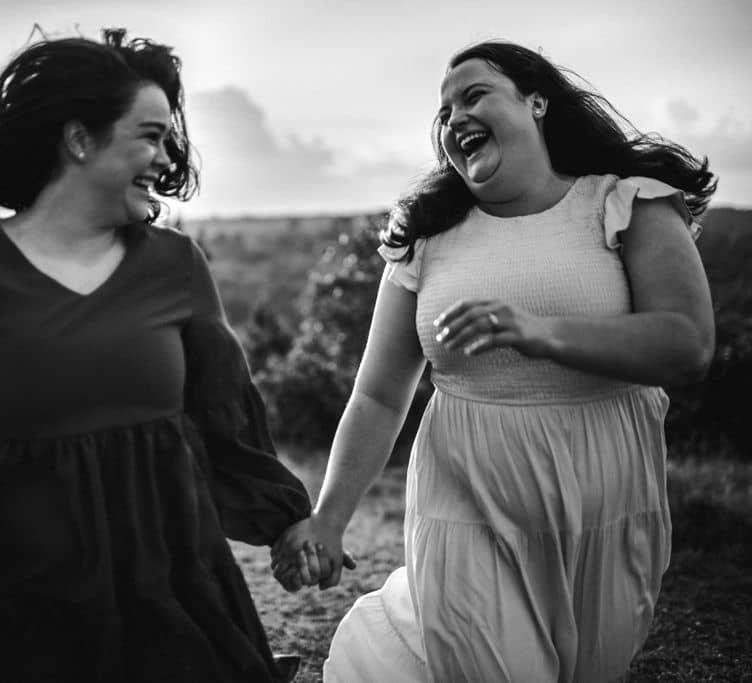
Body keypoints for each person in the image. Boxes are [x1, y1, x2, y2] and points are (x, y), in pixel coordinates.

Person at [0, 29, 313, 683]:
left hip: (176, 608)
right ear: (79, 139)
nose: (166, 159)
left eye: (169, 139)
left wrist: (286, 521)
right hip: (15, 620)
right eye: (149, 135)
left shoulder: (177, 266)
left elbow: (223, 421)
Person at [271, 40, 716, 682]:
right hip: (465, 499)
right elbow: (378, 394)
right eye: (444, 110)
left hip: (606, 499)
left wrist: (539, 332)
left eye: (473, 95)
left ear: (537, 102)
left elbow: (688, 345)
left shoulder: (625, 201)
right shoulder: (424, 237)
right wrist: (330, 517)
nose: (453, 119)